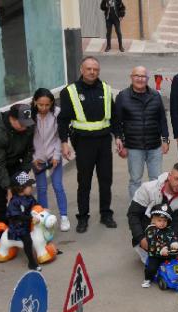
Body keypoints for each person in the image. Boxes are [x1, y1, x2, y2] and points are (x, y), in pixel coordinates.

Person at [58, 56, 117, 233]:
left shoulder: (105, 89)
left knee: (106, 180)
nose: (92, 72)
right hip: (83, 143)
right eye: (89, 69)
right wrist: (64, 142)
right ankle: (83, 217)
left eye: (95, 69)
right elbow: (62, 120)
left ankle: (106, 214)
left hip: (104, 141)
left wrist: (119, 136)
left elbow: (113, 116)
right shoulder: (69, 91)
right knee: (84, 182)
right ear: (82, 70)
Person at [127, 162, 178, 270]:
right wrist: (141, 238)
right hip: (148, 224)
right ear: (169, 176)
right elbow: (133, 215)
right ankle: (143, 248)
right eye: (176, 179)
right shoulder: (147, 188)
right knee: (154, 263)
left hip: (166, 224)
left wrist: (173, 243)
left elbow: (177, 222)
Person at [114, 66, 169, 199]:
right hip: (133, 147)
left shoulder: (155, 95)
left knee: (157, 180)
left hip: (154, 146)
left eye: (143, 76)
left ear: (147, 79)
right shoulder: (123, 96)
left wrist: (165, 139)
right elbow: (116, 121)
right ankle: (135, 210)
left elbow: (162, 118)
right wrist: (119, 138)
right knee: (135, 180)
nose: (140, 79)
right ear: (131, 77)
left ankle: (155, 209)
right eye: (136, 76)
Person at [31, 89, 70, 232]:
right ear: (35, 102)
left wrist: (56, 156)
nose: (43, 108)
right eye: (40, 105)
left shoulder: (57, 113)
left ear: (52, 103)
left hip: (54, 156)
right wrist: (33, 158)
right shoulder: (30, 115)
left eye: (47, 105)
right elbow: (29, 140)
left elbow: (60, 137)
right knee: (41, 189)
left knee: (58, 186)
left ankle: (64, 217)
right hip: (38, 159)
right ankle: (44, 218)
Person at [141, 203, 178, 288]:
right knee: (152, 267)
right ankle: (147, 279)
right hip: (155, 254)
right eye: (159, 220)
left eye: (165, 221)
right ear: (153, 220)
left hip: (168, 253)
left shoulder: (168, 230)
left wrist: (174, 243)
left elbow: (173, 237)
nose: (162, 223)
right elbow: (153, 243)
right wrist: (161, 250)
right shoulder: (150, 230)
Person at [6, 171, 39, 271]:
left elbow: (36, 205)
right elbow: (16, 216)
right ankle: (32, 263)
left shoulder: (30, 197)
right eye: (29, 185)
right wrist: (30, 218)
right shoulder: (14, 201)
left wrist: (42, 209)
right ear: (21, 188)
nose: (32, 187)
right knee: (28, 241)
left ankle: (48, 249)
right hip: (19, 226)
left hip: (30, 222)